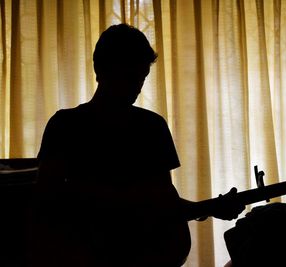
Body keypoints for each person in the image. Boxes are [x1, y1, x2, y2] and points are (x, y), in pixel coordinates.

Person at [31, 23, 245, 267]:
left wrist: (209, 208)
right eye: (130, 77)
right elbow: (46, 204)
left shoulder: (152, 126)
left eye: (142, 78)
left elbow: (162, 202)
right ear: (100, 70)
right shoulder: (65, 125)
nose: (137, 87)